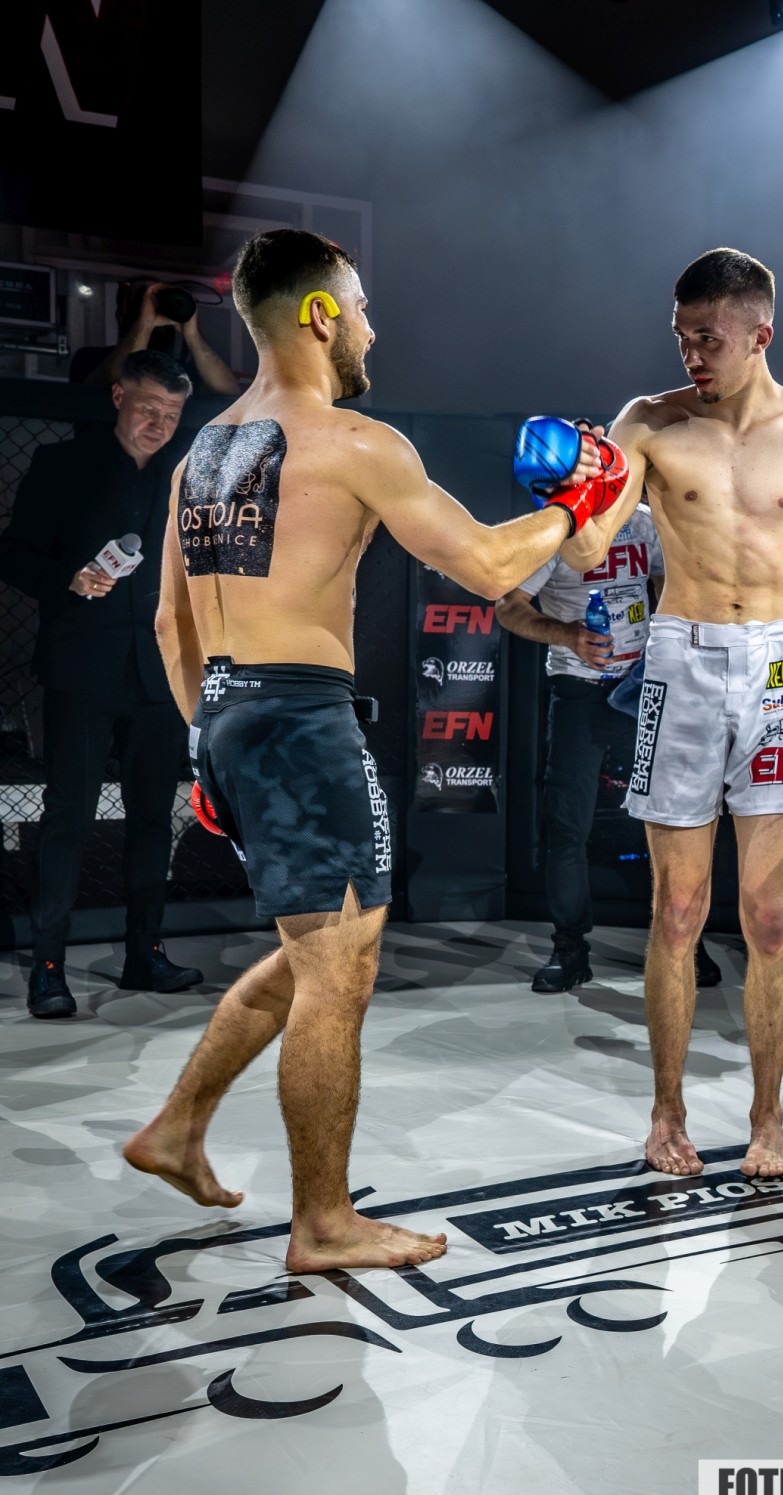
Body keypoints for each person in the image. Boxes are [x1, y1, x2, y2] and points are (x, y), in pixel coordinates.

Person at [122, 228, 616, 1273]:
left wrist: (205, 742)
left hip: (225, 711)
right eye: (359, 307)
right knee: (339, 974)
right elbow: (488, 566)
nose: (371, 329)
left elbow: (170, 622)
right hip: (300, 720)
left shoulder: (202, 450)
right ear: (318, 315)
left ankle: (176, 1129)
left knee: (316, 949)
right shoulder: (354, 442)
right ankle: (324, 1222)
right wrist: (575, 506)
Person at [559, 246, 783, 1180]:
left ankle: (768, 1118)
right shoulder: (647, 421)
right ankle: (666, 1114)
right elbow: (591, 549)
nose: (691, 354)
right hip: (678, 656)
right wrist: (568, 492)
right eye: (681, 337)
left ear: (760, 335)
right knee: (677, 910)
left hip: (782, 664)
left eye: (708, 337)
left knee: (767, 915)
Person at [0, 350, 205, 1018]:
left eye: (171, 413)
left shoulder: (189, 474)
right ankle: (48, 970)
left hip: (160, 672)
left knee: (153, 818)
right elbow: (13, 553)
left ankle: (145, 955)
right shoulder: (63, 465)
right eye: (148, 408)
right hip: (82, 668)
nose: (159, 423)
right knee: (68, 817)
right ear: (118, 398)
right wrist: (69, 578)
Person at [495, 509, 723, 992]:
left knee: (676, 822)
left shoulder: (645, 521)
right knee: (567, 824)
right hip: (579, 688)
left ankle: (684, 942)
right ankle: (569, 948)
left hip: (644, 686)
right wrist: (568, 635)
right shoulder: (556, 527)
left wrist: (670, 642)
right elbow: (508, 606)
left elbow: (668, 581)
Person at [71, 279, 240, 396]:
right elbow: (109, 385)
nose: (155, 309)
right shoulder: (89, 358)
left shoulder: (184, 372)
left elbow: (229, 392)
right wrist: (145, 324)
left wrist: (192, 334)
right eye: (144, 301)